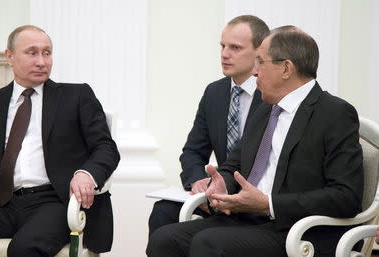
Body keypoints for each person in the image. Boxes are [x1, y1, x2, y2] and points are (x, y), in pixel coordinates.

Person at [147, 27, 363, 257]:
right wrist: (223, 185)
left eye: (260, 62)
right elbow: (233, 167)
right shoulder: (265, 110)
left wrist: (268, 203)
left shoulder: (334, 113)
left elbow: (346, 196)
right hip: (247, 220)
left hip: (297, 230)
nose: (255, 72)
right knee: (165, 239)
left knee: (209, 243)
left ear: (286, 68)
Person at [0, 25, 120, 257]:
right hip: (3, 204)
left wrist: (86, 174)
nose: (42, 61)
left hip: (57, 202)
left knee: (23, 249)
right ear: (9, 56)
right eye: (32, 52)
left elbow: (106, 148)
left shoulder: (76, 96)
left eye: (47, 53)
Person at [148, 15, 269, 236]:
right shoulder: (214, 92)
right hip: (218, 195)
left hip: (259, 202)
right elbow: (193, 151)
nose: (224, 54)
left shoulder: (272, 95)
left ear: (259, 52)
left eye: (235, 47)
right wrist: (198, 182)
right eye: (222, 46)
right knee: (163, 212)